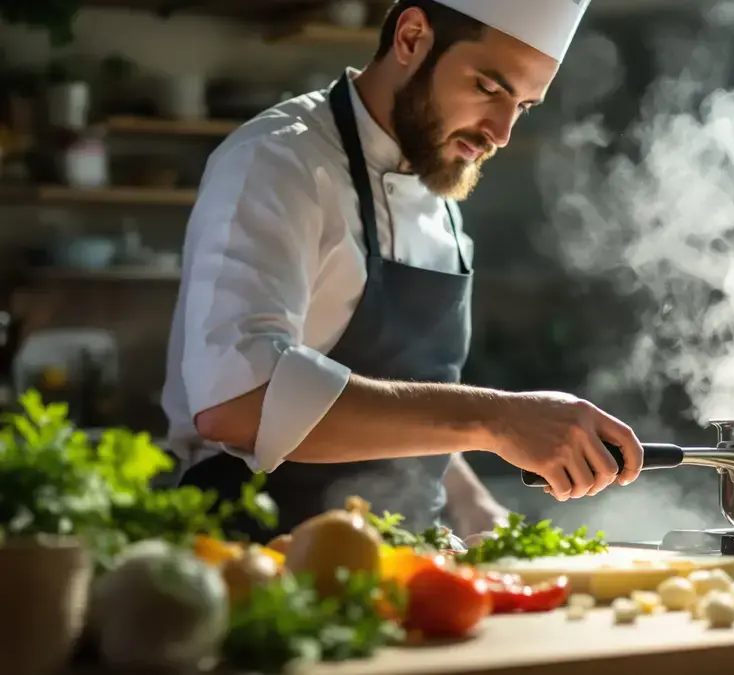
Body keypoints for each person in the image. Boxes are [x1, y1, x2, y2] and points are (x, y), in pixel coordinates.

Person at [161, 0, 645, 544]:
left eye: (525, 106)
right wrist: (498, 420)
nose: (502, 132)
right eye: (489, 88)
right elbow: (237, 405)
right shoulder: (278, 161)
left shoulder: (441, 200)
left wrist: (476, 506)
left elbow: (407, 402)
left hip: (403, 563)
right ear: (412, 37)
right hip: (256, 566)